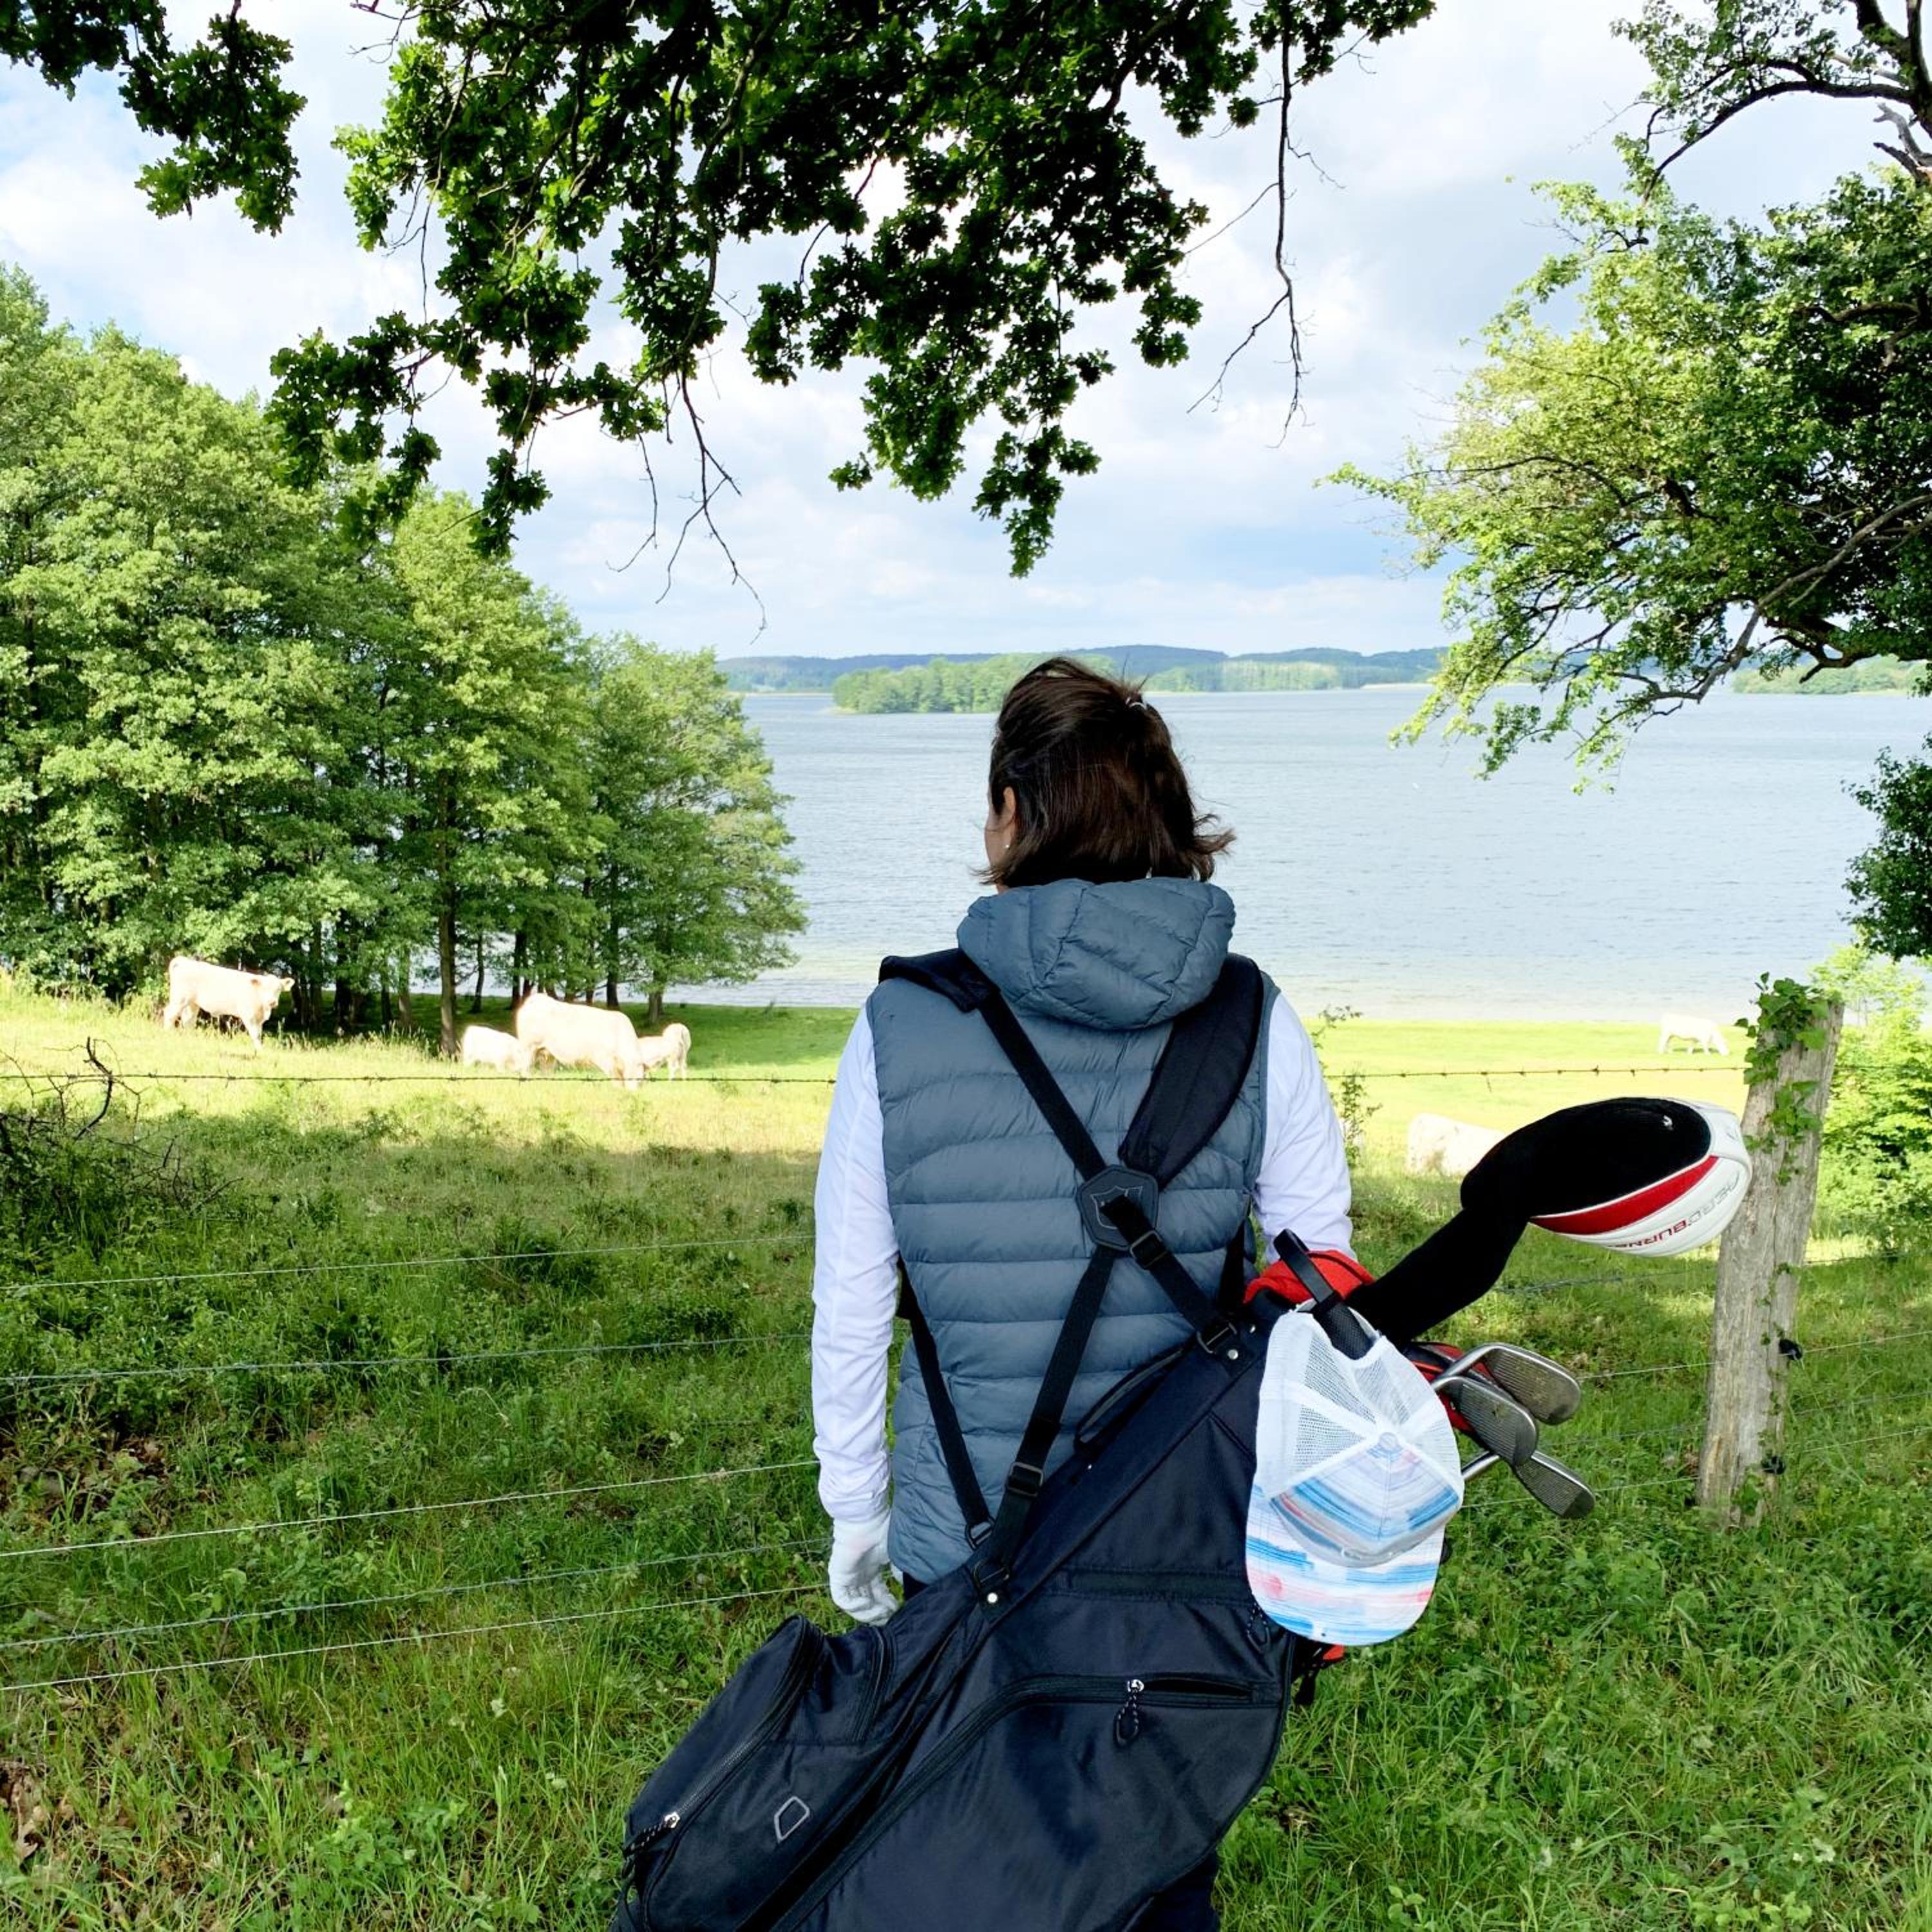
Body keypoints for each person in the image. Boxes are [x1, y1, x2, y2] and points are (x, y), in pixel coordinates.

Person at [809, 657, 1354, 1930]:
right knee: (1155, 1860)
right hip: (1187, 1546)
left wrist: (856, 1513)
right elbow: (1321, 1296)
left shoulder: (901, 1023)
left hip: (971, 1546)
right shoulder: (1253, 1018)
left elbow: (852, 1305)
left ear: (1010, 812)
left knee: (967, 1862)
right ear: (1169, 815)